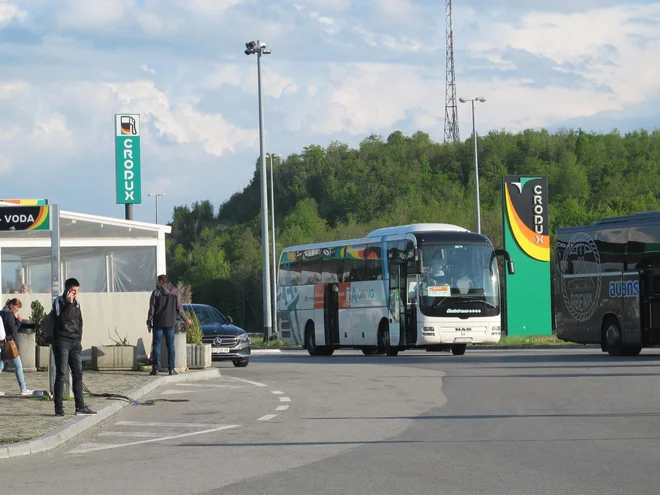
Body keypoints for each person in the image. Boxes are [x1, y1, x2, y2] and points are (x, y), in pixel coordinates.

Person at [52, 278, 96, 416]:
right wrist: (69, 304)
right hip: (62, 341)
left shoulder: (77, 303)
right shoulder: (59, 301)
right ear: (67, 290)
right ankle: (59, 408)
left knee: (78, 373)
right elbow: (60, 321)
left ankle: (80, 407)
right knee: (61, 374)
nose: (76, 294)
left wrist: (79, 338)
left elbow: (80, 321)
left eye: (77, 291)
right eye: (74, 291)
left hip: (75, 342)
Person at [147, 275, 191, 376]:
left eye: (158, 281)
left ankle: (156, 369)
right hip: (170, 322)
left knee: (157, 345)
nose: (157, 283)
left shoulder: (156, 292)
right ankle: (171, 369)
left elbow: (152, 309)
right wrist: (187, 319)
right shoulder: (175, 292)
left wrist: (149, 322)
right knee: (170, 345)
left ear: (162, 282)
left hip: (158, 322)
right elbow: (179, 309)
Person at [0, 298, 33, 396]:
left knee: (1, 366)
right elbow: (13, 331)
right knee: (18, 365)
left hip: (2, 343)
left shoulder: (2, 312)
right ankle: (23, 388)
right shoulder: (9, 314)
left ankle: (23, 388)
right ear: (12, 305)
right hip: (9, 343)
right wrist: (18, 322)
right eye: (17, 307)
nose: (18, 309)